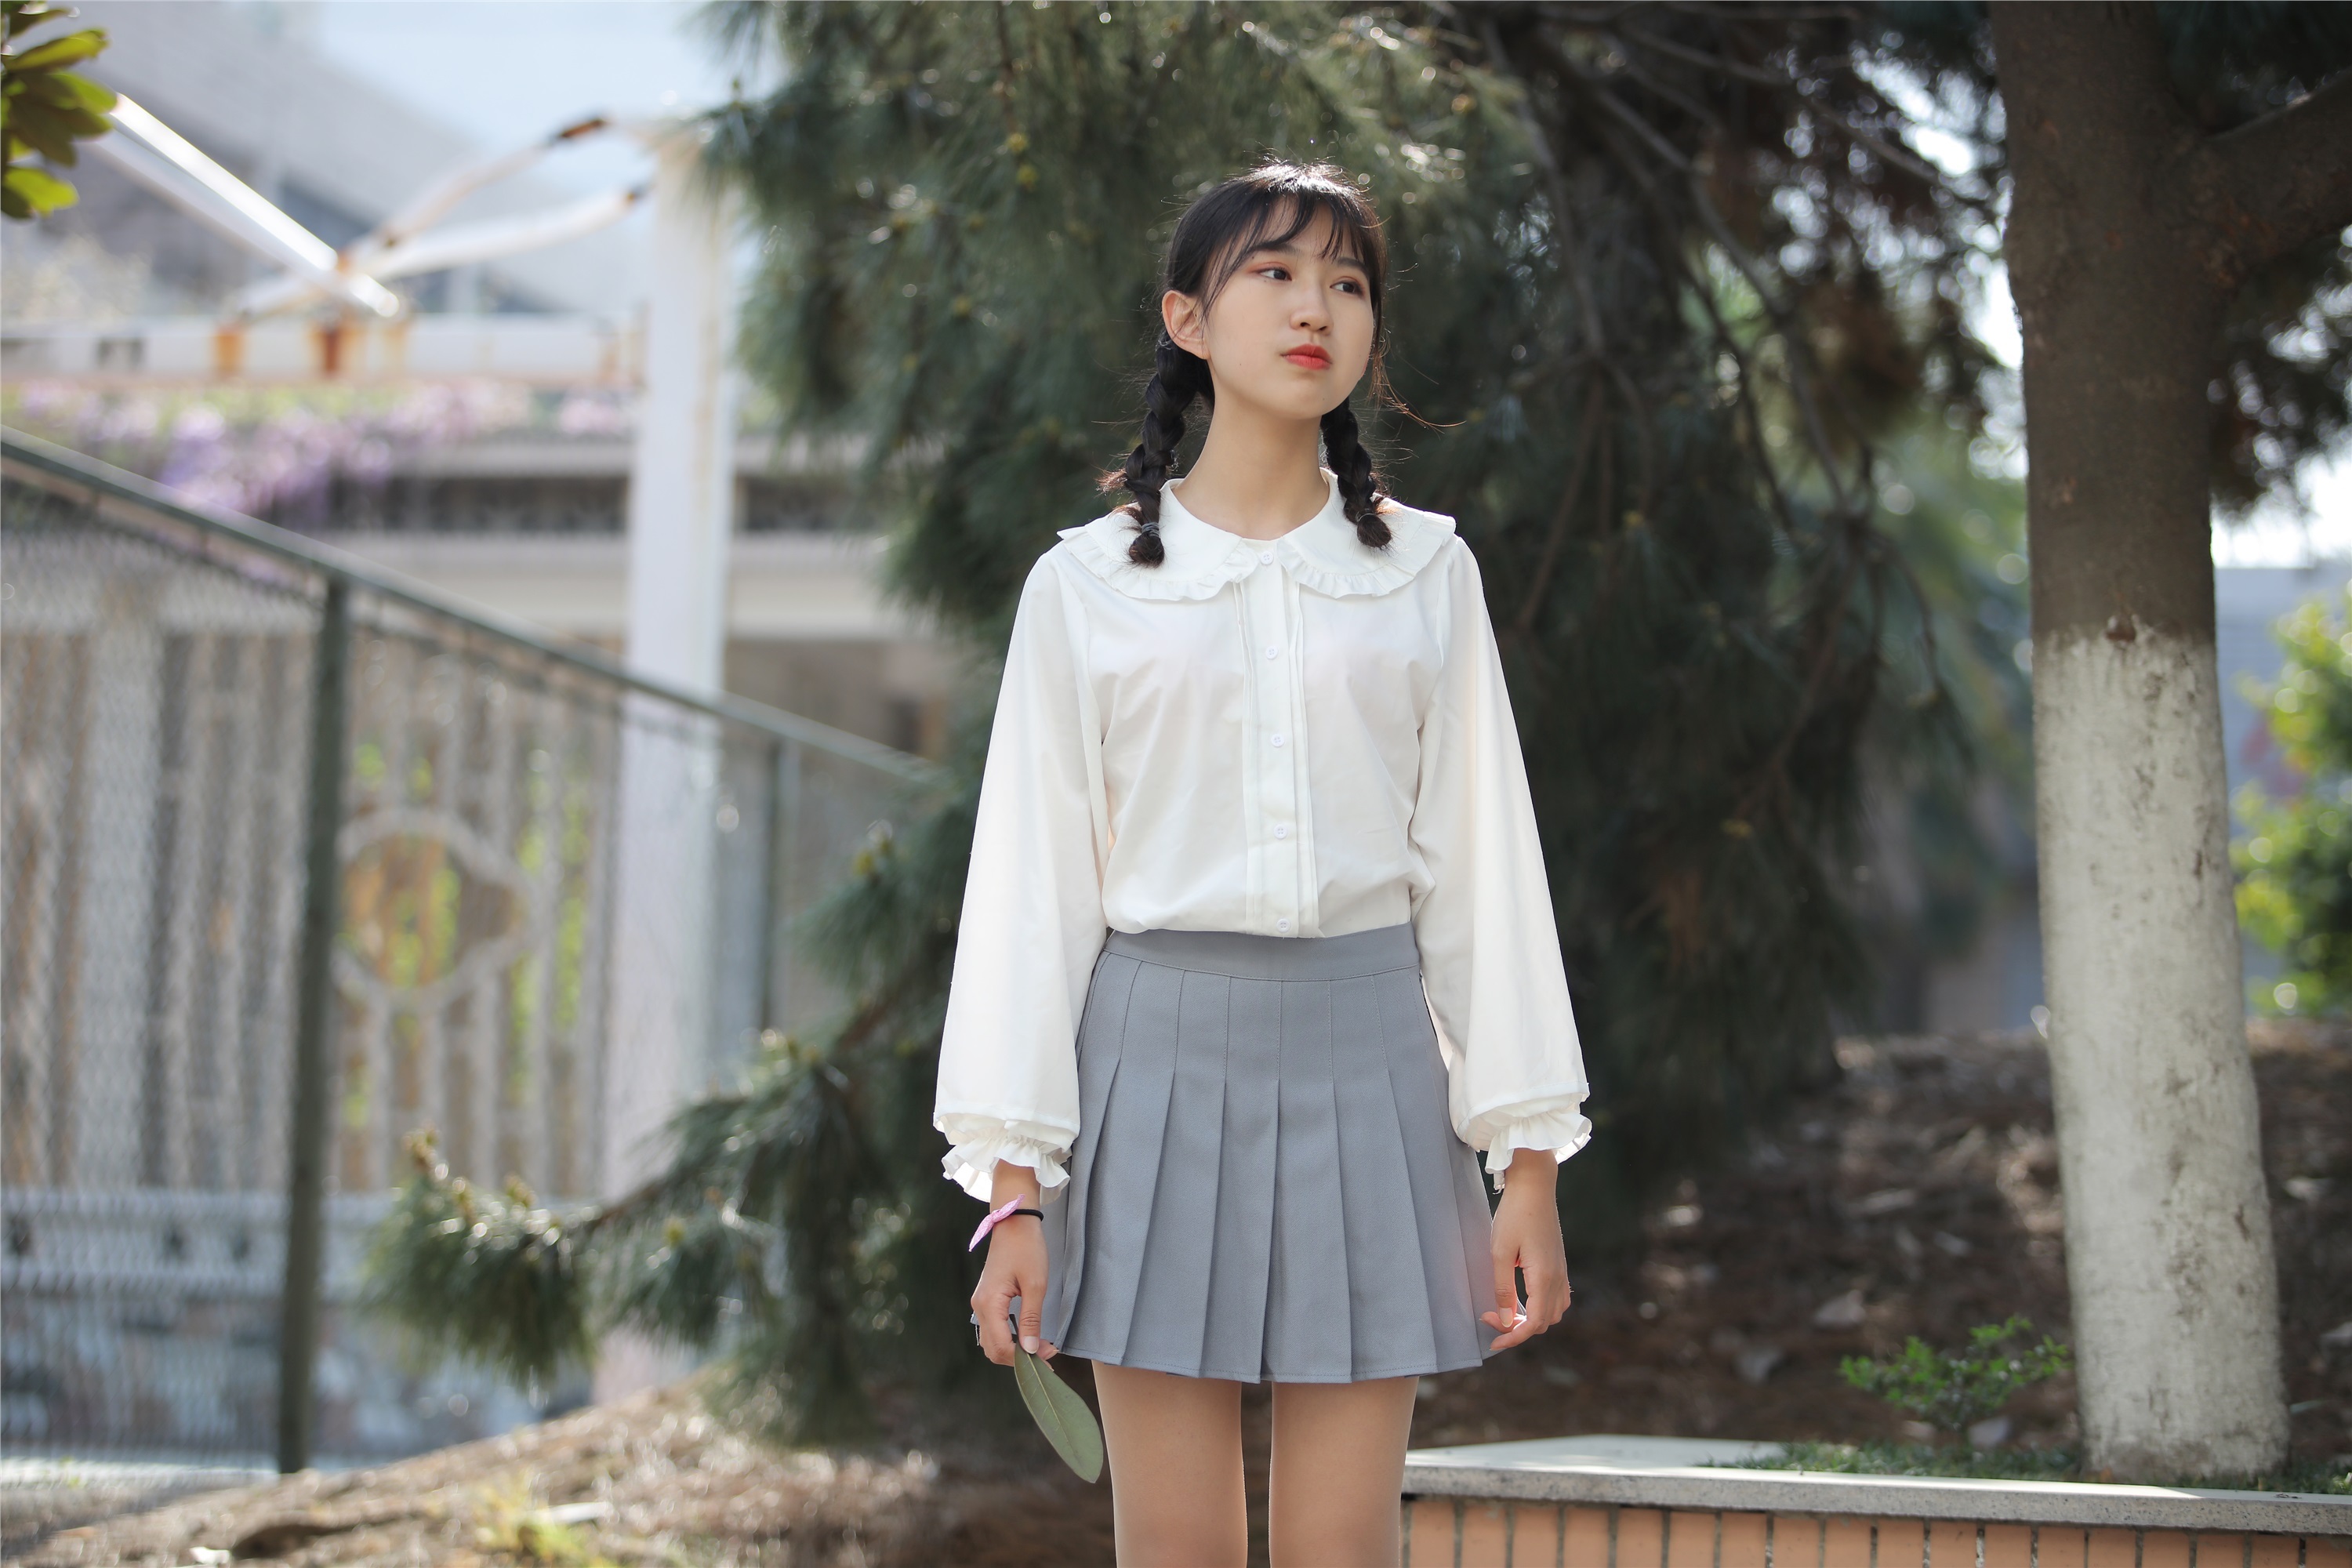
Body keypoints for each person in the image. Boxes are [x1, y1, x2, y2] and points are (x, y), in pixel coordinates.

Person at [932, 161, 1592, 1566]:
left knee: (1344, 1552)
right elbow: (1027, 896)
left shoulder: (1426, 573)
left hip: (1372, 1063)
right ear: (1189, 317)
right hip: (1150, 1068)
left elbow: (1484, 870)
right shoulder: (1086, 586)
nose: (1318, 308)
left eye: (1349, 283)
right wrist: (1014, 1188)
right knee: (1176, 1550)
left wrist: (1523, 1160)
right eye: (1278, 275)